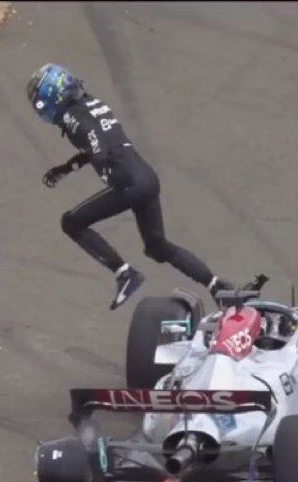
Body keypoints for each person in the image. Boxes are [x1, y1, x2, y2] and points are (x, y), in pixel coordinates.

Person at [27, 62, 236, 310]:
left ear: (52, 99)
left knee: (71, 222)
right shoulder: (91, 104)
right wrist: (66, 168)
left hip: (128, 184)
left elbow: (94, 142)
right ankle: (217, 285)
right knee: (157, 247)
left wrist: (100, 158)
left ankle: (124, 273)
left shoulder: (71, 116)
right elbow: (96, 139)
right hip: (146, 178)